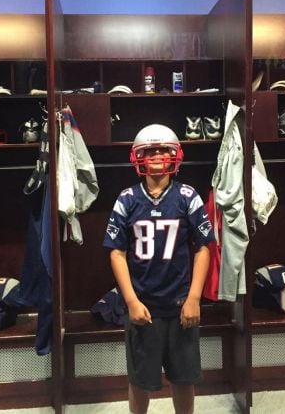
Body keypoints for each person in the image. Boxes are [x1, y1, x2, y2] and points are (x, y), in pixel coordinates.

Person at [103, 124, 214, 414]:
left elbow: (203, 248)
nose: (155, 156)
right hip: (143, 305)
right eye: (149, 151)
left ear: (174, 156)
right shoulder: (127, 199)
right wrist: (130, 301)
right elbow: (117, 252)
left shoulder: (187, 197)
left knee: (184, 377)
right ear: (138, 157)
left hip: (180, 304)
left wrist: (193, 298)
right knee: (140, 380)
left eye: (163, 151)